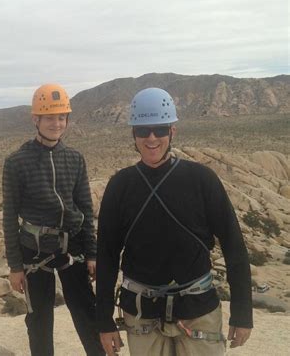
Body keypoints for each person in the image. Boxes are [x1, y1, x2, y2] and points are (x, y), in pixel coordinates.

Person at [95, 87, 253, 356]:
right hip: (142, 312)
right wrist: (104, 321)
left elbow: (233, 245)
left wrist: (242, 313)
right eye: (143, 131)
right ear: (134, 134)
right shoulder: (120, 186)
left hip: (198, 309)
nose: (152, 138)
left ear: (172, 131)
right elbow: (107, 256)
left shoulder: (202, 180)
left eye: (160, 129)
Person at [2, 83, 105, 356]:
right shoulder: (17, 162)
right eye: (49, 117)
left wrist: (92, 253)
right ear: (35, 119)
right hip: (35, 251)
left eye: (61, 117)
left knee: (85, 310)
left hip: (72, 247)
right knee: (39, 320)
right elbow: (10, 216)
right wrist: (15, 265)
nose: (56, 123)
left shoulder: (74, 158)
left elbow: (85, 207)